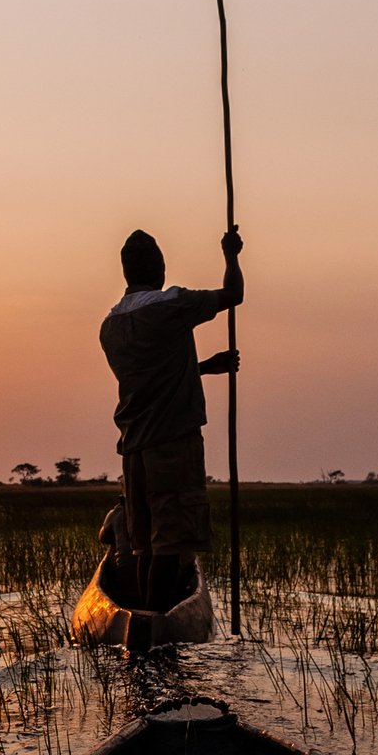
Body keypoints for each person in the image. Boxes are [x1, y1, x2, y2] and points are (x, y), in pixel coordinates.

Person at [99, 227, 243, 610]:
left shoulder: (110, 326)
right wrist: (231, 254)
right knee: (169, 545)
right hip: (172, 447)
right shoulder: (171, 304)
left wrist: (207, 367)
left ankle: (144, 631)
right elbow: (234, 295)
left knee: (145, 547)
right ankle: (157, 636)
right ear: (160, 268)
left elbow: (154, 378)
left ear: (126, 273)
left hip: (134, 451)